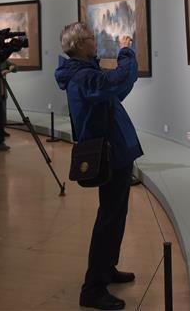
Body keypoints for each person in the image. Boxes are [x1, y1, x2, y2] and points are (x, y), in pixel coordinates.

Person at [55, 23, 142, 311]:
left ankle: (106, 269)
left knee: (115, 214)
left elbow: (118, 88)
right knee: (109, 218)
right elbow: (118, 81)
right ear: (80, 44)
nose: (95, 41)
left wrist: (125, 66)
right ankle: (92, 289)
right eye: (92, 38)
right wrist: (125, 51)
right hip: (108, 152)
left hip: (114, 150)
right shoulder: (83, 77)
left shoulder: (85, 74)